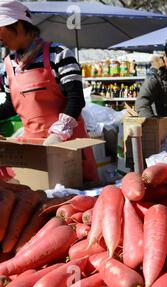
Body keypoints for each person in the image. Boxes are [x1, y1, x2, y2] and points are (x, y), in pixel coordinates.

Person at [0, 1, 98, 183]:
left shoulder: (59, 54)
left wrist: (58, 134)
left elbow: (76, 99)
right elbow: (11, 106)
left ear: (18, 25)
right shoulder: (8, 65)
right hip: (33, 150)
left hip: (68, 147)